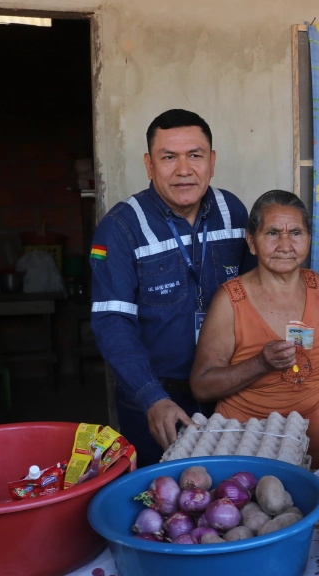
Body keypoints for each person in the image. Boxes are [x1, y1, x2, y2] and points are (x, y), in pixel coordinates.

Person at [90, 109, 253, 468]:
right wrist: (152, 397)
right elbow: (112, 322)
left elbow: (257, 296)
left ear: (212, 161)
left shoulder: (234, 213)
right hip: (158, 400)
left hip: (227, 394)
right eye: (168, 157)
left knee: (233, 497)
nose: (183, 169)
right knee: (163, 507)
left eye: (195, 155)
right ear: (149, 165)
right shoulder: (121, 227)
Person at [190, 190, 319, 468]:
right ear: (251, 241)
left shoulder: (317, 287)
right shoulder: (230, 300)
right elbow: (201, 386)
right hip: (250, 452)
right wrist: (260, 363)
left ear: (308, 238)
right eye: (272, 232)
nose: (285, 244)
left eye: (296, 232)